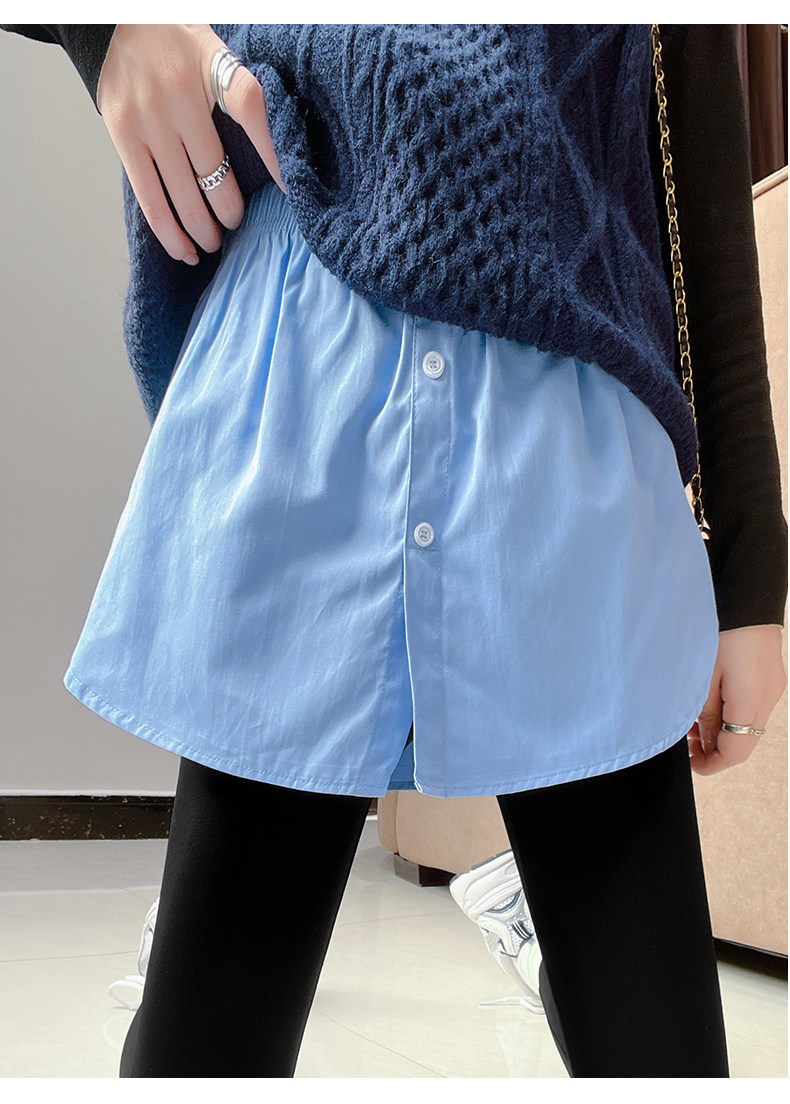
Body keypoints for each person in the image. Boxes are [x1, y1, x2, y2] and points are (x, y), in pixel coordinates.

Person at [2, 23, 786, 1079]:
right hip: (301, 415)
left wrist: (750, 579)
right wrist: (111, 31)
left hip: (571, 451)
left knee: (657, 1055)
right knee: (206, 1049)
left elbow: (698, 191)